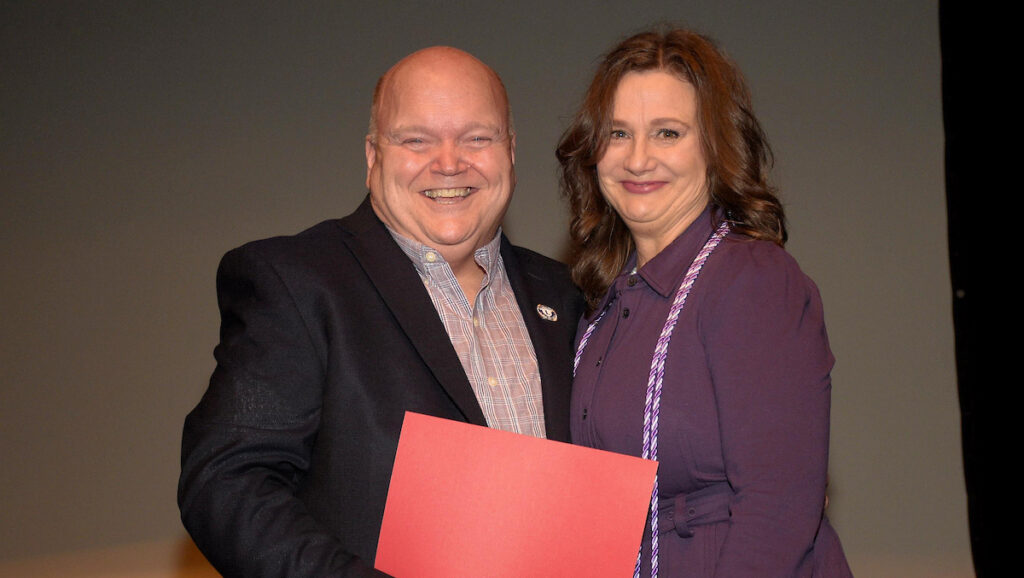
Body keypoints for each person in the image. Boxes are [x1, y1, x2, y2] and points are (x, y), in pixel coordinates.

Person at [179, 46, 582, 577]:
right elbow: (227, 483)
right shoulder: (297, 281)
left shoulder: (566, 292)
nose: (449, 162)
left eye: (476, 138)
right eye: (416, 140)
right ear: (373, 156)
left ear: (510, 150)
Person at [558, 28, 852, 577]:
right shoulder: (604, 300)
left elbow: (778, 510)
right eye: (618, 133)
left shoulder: (753, 281)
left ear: (714, 147)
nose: (638, 158)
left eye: (667, 133)